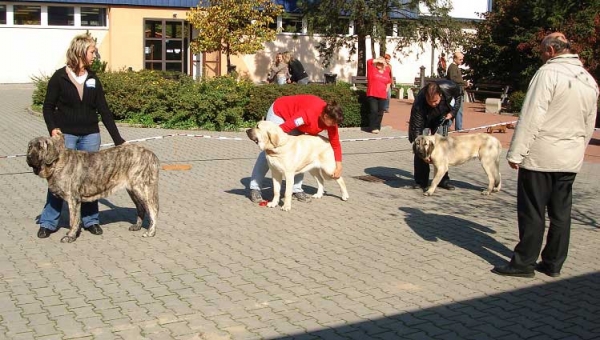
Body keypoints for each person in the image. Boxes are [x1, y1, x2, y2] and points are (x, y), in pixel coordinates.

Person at [492, 32, 598, 278]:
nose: (541, 57)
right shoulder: (588, 79)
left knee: (533, 211)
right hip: (569, 157)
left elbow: (532, 115)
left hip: (542, 156)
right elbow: (589, 123)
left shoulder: (547, 74)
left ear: (551, 50)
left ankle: (524, 263)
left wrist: (516, 152)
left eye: (541, 52)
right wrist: (578, 152)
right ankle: (553, 263)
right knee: (561, 214)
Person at [37, 32, 126, 239]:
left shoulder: (93, 78)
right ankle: (49, 222)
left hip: (90, 136)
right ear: (80, 52)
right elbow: (47, 107)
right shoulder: (59, 77)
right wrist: (52, 128)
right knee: (58, 182)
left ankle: (91, 221)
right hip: (65, 138)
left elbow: (104, 111)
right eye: (92, 51)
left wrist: (118, 140)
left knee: (90, 179)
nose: (95, 55)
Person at [248, 95, 344, 203]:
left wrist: (339, 166)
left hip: (297, 121)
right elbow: (283, 129)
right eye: (333, 123)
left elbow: (335, 144)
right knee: (270, 150)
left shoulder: (332, 120)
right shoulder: (309, 113)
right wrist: (273, 141)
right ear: (326, 116)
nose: (334, 125)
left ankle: (296, 189)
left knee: (299, 153)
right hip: (280, 113)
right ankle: (255, 188)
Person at [408, 80, 463, 191]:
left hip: (441, 117)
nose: (433, 104)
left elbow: (459, 96)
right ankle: (421, 181)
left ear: (440, 94)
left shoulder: (450, 87)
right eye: (430, 101)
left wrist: (453, 112)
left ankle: (443, 180)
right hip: (424, 120)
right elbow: (417, 133)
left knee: (442, 149)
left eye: (435, 101)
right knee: (421, 148)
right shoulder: (419, 103)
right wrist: (424, 156)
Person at [366, 56, 392, 134]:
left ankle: (377, 127)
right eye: (378, 63)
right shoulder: (372, 70)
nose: (379, 64)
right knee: (374, 110)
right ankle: (373, 127)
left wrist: (386, 89)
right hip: (372, 94)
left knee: (380, 111)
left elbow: (389, 81)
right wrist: (378, 59)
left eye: (381, 63)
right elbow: (369, 61)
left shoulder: (386, 71)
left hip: (382, 95)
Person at [446, 52, 468, 131]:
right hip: (455, 92)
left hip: (457, 91)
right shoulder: (452, 67)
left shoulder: (455, 67)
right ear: (455, 59)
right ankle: (458, 128)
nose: (462, 61)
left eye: (462, 59)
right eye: (460, 59)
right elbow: (453, 79)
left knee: (456, 109)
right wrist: (465, 83)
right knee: (457, 110)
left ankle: (449, 126)